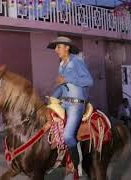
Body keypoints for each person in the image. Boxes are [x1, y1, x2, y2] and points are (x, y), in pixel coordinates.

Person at [47, 36, 94, 176]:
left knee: (68, 136)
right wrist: (53, 98)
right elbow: (63, 87)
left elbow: (89, 81)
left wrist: (67, 79)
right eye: (55, 47)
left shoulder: (76, 61)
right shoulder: (61, 64)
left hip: (76, 104)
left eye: (58, 47)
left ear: (67, 47)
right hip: (64, 102)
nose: (56, 50)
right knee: (48, 123)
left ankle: (76, 164)